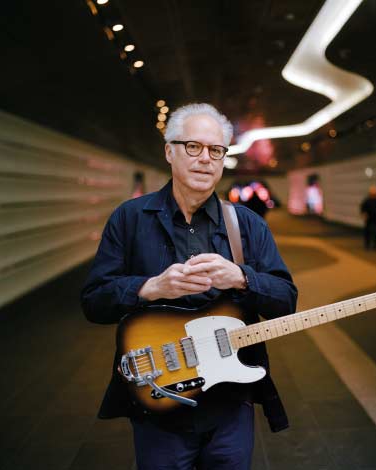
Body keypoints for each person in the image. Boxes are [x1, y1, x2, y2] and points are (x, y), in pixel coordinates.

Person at [81, 103, 297, 470]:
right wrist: (151, 287)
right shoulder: (130, 219)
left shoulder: (246, 225)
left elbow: (286, 299)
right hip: (161, 402)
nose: (205, 159)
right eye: (192, 147)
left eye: (216, 150)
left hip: (230, 404)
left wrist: (242, 278)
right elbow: (94, 301)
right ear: (169, 151)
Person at [360, 185, 376, 250]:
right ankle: (367, 244)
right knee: (367, 231)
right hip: (369, 218)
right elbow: (363, 208)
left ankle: (375, 244)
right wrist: (364, 214)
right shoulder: (367, 201)